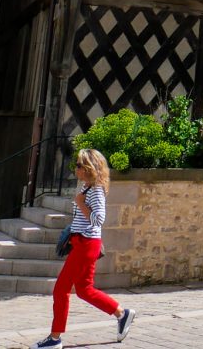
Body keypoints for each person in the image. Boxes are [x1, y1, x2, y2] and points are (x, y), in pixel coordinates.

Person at [31, 148, 135, 348]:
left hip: (87, 244)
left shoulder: (95, 190)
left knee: (60, 290)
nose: (75, 168)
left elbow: (99, 219)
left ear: (89, 168)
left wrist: (81, 203)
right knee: (84, 290)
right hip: (82, 242)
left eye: (78, 165)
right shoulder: (87, 188)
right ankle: (122, 314)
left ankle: (54, 339)